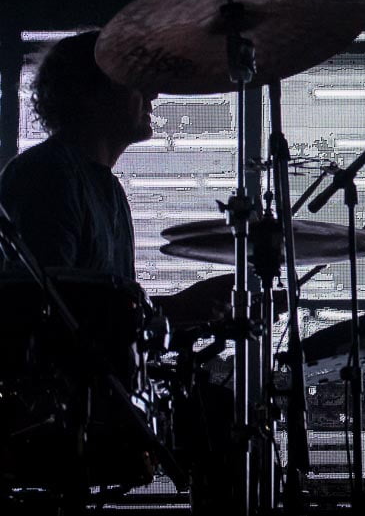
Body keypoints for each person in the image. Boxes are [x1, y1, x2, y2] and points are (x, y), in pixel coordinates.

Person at [0, 31, 235, 513]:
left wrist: (182, 309)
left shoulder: (107, 190)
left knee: (223, 412)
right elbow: (47, 318)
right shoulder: (49, 176)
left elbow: (101, 317)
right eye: (135, 82)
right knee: (221, 426)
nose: (154, 95)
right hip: (55, 411)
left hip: (95, 398)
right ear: (91, 93)